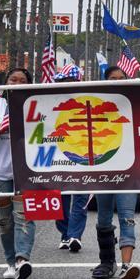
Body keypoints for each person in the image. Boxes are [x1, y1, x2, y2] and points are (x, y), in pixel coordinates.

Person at [89, 65, 140, 279]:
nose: (118, 80)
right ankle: (107, 261)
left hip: (129, 172)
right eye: (113, 77)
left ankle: (126, 265)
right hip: (104, 170)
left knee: (127, 217)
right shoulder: (95, 103)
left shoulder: (135, 104)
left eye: (122, 77)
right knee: (103, 218)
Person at [0, 67, 36, 279]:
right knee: (4, 221)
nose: (17, 84)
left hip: (27, 171)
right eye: (13, 79)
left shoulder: (35, 105)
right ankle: (10, 262)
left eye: (22, 81)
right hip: (0, 171)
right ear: (5, 81)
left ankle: (22, 259)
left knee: (24, 215)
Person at [51, 66, 89, 254]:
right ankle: (65, 234)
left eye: (66, 81)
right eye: (60, 81)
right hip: (59, 157)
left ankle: (75, 235)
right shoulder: (52, 102)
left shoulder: (88, 100)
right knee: (61, 197)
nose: (62, 85)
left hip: (82, 156)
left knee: (80, 198)